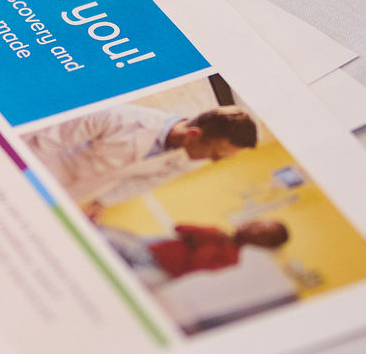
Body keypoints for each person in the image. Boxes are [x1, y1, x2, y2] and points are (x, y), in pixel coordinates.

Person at [24, 103, 259, 211]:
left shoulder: (187, 159)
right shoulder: (122, 117)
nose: (215, 161)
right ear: (193, 134)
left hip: (75, 190)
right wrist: (25, 177)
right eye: (216, 154)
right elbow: (48, 141)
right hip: (41, 165)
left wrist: (100, 203)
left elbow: (145, 182)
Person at [147, 219, 289, 278]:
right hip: (153, 246)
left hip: (157, 269)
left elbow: (194, 262)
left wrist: (206, 240)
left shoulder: (232, 258)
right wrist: (209, 234)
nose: (253, 224)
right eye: (259, 222)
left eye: (262, 231)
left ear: (262, 244)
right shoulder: (216, 232)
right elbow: (179, 228)